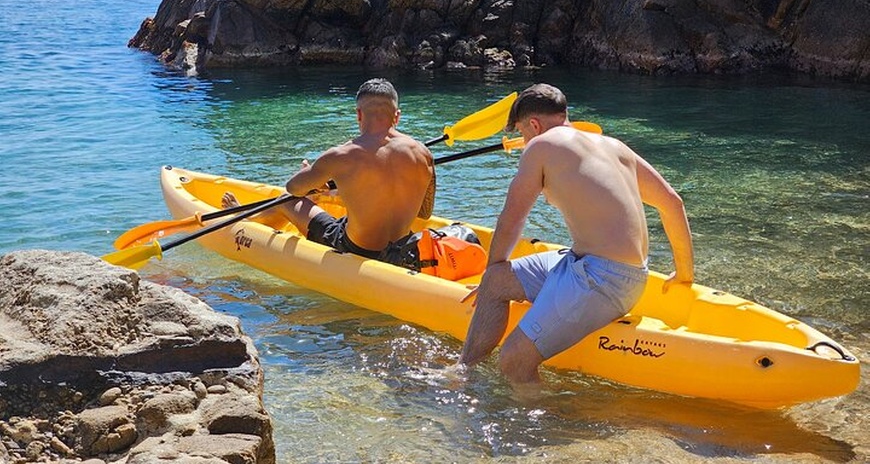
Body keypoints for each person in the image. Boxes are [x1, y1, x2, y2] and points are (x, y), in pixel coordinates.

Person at [458, 83, 694, 386]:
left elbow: (511, 219)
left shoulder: (540, 146)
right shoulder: (614, 146)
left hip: (604, 279)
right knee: (495, 282)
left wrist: (493, 263)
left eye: (522, 132)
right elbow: (672, 203)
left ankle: (541, 431)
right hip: (595, 266)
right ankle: (462, 372)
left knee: (513, 358)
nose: (522, 141)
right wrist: (685, 274)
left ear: (533, 124)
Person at [223, 78, 435, 261]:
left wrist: (313, 182)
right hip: (402, 249)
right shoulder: (424, 154)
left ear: (359, 115)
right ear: (397, 116)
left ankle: (248, 222)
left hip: (354, 248)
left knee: (285, 200)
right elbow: (424, 213)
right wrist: (342, 190)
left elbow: (294, 188)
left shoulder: (341, 155)